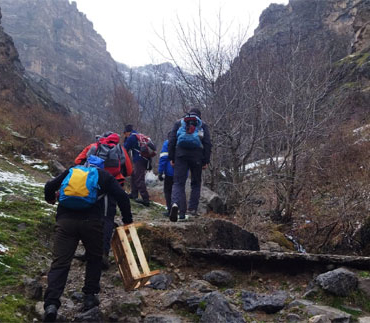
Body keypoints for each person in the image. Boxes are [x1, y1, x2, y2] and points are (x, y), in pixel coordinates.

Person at [43, 157, 133, 322]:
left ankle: (51, 304)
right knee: (94, 258)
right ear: (101, 167)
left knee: (60, 262)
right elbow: (122, 197)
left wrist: (50, 199)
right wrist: (127, 220)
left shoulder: (72, 171)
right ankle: (90, 297)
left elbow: (49, 186)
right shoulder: (104, 176)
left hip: (65, 222)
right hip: (91, 223)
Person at [74, 132, 132, 269]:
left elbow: (78, 161)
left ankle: (88, 252)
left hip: (91, 185)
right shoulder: (120, 149)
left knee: (89, 217)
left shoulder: (93, 146)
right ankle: (103, 254)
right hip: (113, 185)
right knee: (107, 219)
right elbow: (129, 170)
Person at [168, 108, 212, 221]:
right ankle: (192, 209)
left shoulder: (179, 123)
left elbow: (172, 140)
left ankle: (176, 205)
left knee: (178, 183)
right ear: (199, 116)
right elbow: (207, 143)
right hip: (197, 156)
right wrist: (206, 160)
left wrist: (171, 157)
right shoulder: (202, 125)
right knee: (196, 183)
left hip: (180, 154)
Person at [123, 125, 151, 207]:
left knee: (139, 178)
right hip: (145, 159)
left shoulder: (131, 137)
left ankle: (145, 199)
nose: (125, 135)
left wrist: (126, 140)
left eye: (125, 133)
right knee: (134, 175)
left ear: (127, 132)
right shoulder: (139, 136)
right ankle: (134, 194)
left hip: (138, 160)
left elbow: (125, 149)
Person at [158, 136, 174, 216]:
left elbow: (163, 158)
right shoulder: (183, 143)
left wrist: (160, 171)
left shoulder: (168, 143)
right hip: (182, 172)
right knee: (179, 190)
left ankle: (170, 210)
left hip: (170, 172)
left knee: (168, 191)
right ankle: (181, 210)